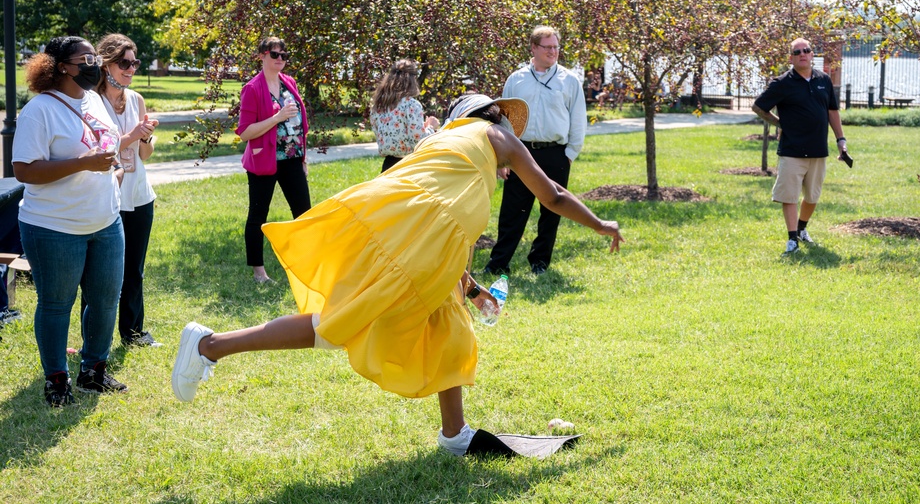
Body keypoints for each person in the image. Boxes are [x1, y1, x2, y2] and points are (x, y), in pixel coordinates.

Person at [172, 93, 623, 457]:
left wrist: (468, 285)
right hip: (409, 240)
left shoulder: (449, 152)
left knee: (447, 325)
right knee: (340, 325)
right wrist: (601, 224)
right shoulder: (494, 137)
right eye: (506, 120)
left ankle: (454, 433)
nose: (511, 133)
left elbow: (452, 227)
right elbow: (554, 195)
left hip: (409, 234)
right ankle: (210, 345)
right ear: (492, 118)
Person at [13, 36, 128, 407]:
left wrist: (115, 169)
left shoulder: (94, 99)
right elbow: (24, 170)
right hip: (53, 227)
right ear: (61, 65)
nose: (94, 63)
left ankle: (93, 371)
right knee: (56, 303)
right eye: (85, 59)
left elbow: (106, 144)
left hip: (106, 221)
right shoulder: (39, 110)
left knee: (106, 299)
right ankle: (57, 381)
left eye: (95, 56)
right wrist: (83, 163)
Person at [484, 25, 587, 276]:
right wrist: (502, 158)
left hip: (555, 153)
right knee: (512, 211)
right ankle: (499, 263)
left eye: (556, 47)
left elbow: (578, 119)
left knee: (551, 210)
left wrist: (570, 155)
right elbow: (504, 120)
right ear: (533, 48)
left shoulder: (569, 80)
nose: (553, 51)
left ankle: (540, 262)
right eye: (547, 47)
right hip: (520, 152)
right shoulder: (516, 79)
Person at [85, 33, 161, 347]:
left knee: (134, 271)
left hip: (140, 196)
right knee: (99, 277)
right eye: (124, 63)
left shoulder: (137, 100)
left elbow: (145, 155)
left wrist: (145, 138)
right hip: (107, 197)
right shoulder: (91, 101)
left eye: (134, 62)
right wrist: (132, 134)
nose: (130, 69)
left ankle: (133, 333)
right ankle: (94, 339)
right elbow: (102, 152)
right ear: (106, 64)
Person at [752, 37, 848, 255]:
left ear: (813, 54)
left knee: (812, 197)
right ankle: (792, 239)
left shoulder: (823, 79)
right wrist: (779, 123)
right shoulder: (782, 83)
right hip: (792, 150)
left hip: (818, 150)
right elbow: (758, 107)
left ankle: (802, 229)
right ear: (791, 58)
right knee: (789, 196)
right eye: (797, 52)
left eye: (806, 50)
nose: (802, 54)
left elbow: (833, 111)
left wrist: (840, 139)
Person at [236, 36, 312, 284]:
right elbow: (245, 132)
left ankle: (306, 265)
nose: (280, 59)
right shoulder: (252, 89)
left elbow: (301, 125)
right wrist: (276, 118)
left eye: (283, 55)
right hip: (263, 161)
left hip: (292, 158)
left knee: (304, 214)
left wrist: (303, 156)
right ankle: (259, 272)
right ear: (262, 56)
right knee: (258, 216)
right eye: (274, 54)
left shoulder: (289, 83)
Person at [369, 59, 440, 172]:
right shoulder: (411, 105)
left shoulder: (379, 105)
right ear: (412, 80)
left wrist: (423, 127)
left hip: (388, 165)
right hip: (408, 165)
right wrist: (431, 127)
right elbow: (418, 140)